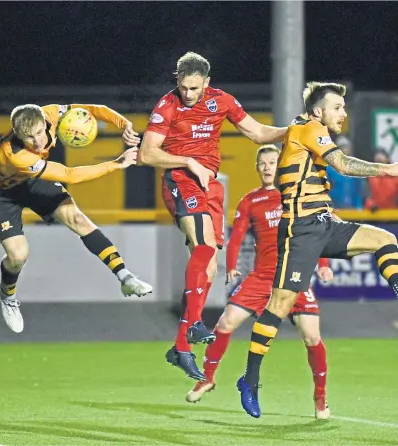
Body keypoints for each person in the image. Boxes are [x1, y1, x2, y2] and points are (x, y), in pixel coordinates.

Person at [237, 82, 398, 418]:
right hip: (301, 231)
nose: (343, 113)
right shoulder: (310, 127)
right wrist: (387, 169)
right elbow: (343, 165)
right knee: (279, 306)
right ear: (318, 111)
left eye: (343, 106)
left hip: (325, 223)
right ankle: (250, 379)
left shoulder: (309, 129)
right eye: (337, 106)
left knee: (385, 240)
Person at [138, 52, 287, 380]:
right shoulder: (167, 106)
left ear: (207, 82)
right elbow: (147, 153)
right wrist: (188, 162)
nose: (187, 94)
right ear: (176, 80)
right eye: (183, 86)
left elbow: (258, 133)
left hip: (209, 186)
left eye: (194, 88)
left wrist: (292, 132)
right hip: (180, 179)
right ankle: (191, 328)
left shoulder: (223, 101)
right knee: (203, 247)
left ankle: (181, 345)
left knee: (208, 263)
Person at [185, 145, 333, 420]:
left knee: (312, 337)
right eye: (262, 163)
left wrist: (323, 265)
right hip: (262, 277)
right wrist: (231, 268)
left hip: (293, 276)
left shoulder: (297, 195)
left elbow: (318, 232)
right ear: (257, 167)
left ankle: (320, 397)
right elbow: (237, 236)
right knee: (226, 321)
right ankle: (206, 378)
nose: (267, 167)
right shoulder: (250, 201)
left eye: (272, 162)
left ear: (281, 165)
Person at [0, 103, 153, 334]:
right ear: (17, 134)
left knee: (78, 219)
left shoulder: (52, 113)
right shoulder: (15, 154)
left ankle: (126, 278)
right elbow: (68, 175)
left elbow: (95, 108)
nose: (37, 141)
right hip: (1, 194)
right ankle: (8, 295)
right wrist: (115, 164)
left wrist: (124, 124)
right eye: (29, 137)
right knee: (18, 256)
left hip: (33, 181)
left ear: (45, 122)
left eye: (40, 133)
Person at [326, 135, 365, 209]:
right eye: (342, 147)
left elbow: (360, 188)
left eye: (347, 147)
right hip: (335, 206)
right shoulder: (330, 168)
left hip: (353, 206)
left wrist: (359, 205)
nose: (345, 149)